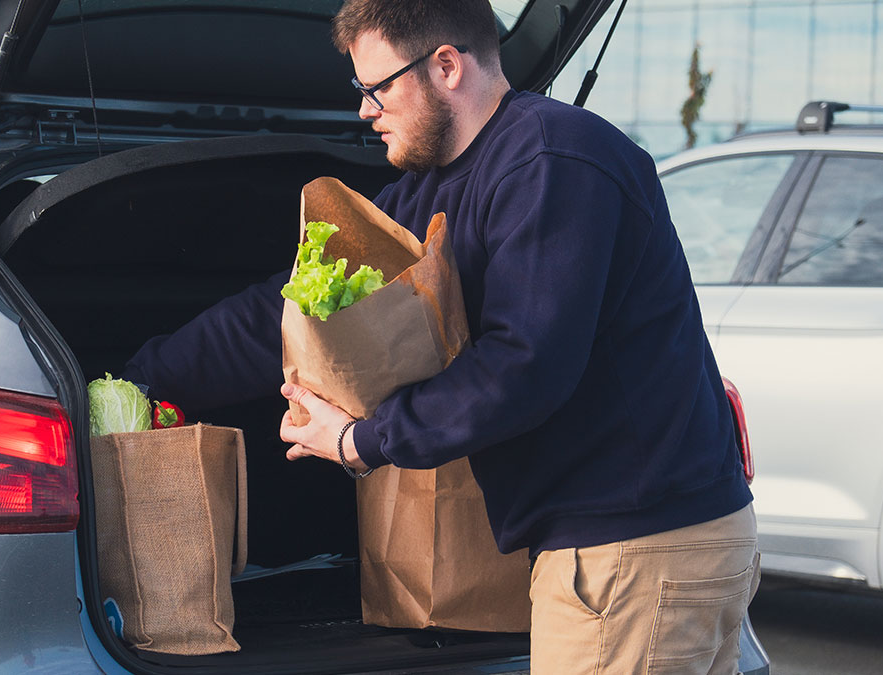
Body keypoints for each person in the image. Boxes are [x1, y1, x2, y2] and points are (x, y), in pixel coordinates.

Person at [123, 1, 758, 672]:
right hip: (639, 550)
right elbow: (290, 309)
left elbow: (525, 366)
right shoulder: (435, 189)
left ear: (447, 65)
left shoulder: (551, 161)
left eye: (377, 88)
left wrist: (359, 441)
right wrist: (144, 378)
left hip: (630, 551)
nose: (364, 109)